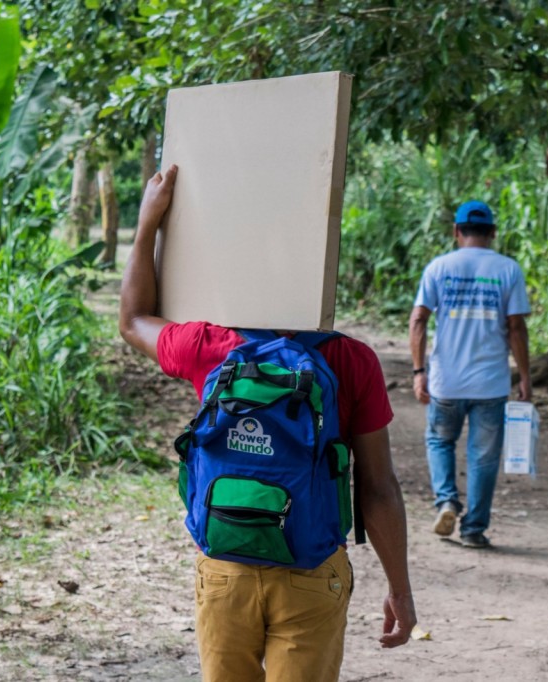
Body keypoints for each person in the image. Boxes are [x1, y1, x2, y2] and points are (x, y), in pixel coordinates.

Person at [119, 164, 416, 682]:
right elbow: (378, 488)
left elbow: (132, 320)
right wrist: (400, 588)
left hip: (226, 567)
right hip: (311, 567)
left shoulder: (211, 347)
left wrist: (149, 224)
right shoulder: (351, 360)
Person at [409, 199, 532, 549]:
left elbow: (418, 319)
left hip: (446, 381)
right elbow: (516, 328)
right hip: (490, 382)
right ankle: (474, 530)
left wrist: (419, 371)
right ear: (493, 233)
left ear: (456, 232)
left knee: (439, 440)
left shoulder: (439, 267)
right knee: (484, 456)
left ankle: (447, 501)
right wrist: (524, 375)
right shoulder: (508, 269)